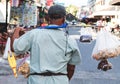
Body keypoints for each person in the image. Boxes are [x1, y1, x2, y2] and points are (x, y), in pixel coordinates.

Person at [11, 5, 81, 84]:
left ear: (47, 18)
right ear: (64, 19)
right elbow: (71, 68)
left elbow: (15, 48)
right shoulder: (70, 40)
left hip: (36, 81)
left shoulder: (34, 34)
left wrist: (16, 30)